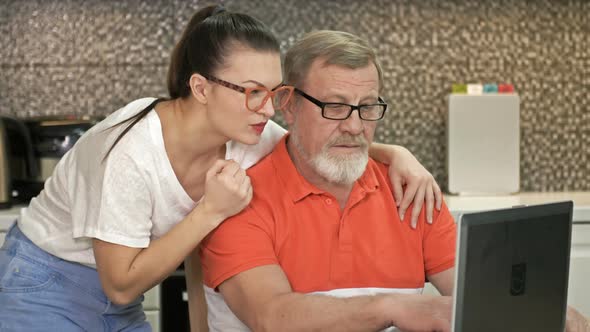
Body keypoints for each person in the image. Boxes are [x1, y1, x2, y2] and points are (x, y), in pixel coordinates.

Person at [0, 6, 443, 332]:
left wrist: (398, 154)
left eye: (273, 92)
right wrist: (210, 210)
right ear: (201, 88)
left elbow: (318, 143)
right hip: (46, 279)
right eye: (252, 91)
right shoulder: (129, 153)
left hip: (117, 299)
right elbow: (121, 285)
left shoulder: (246, 133)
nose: (268, 108)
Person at [199, 30, 590, 332]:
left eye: (368, 108)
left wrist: (549, 312)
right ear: (288, 104)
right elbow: (273, 316)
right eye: (335, 107)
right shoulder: (238, 199)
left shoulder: (411, 191)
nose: (354, 126)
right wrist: (395, 307)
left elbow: (480, 293)